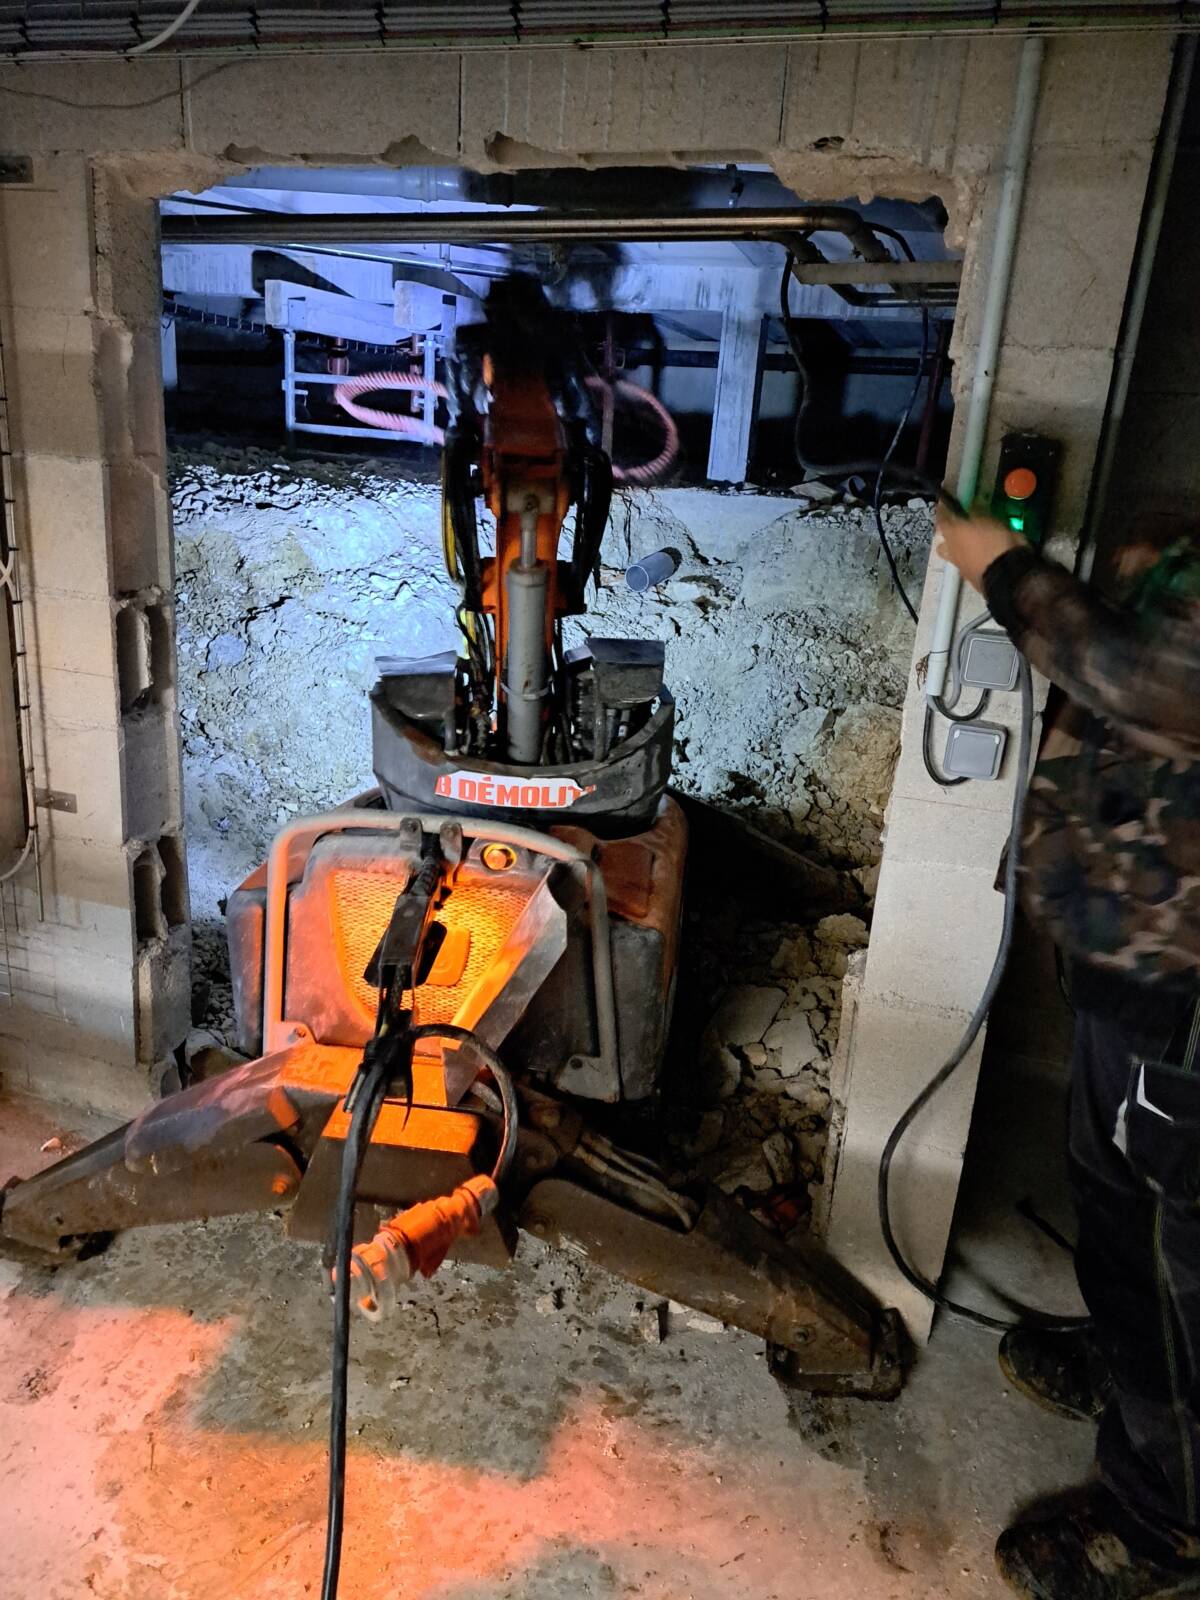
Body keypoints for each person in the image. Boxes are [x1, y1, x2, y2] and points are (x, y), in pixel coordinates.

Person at [934, 505, 1200, 1600]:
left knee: (1178, 1261)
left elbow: (1153, 679)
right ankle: (1134, 1366)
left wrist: (1010, 572)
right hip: (1137, 970)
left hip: (1184, 1004)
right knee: (1116, 1201)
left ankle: (1166, 1523)